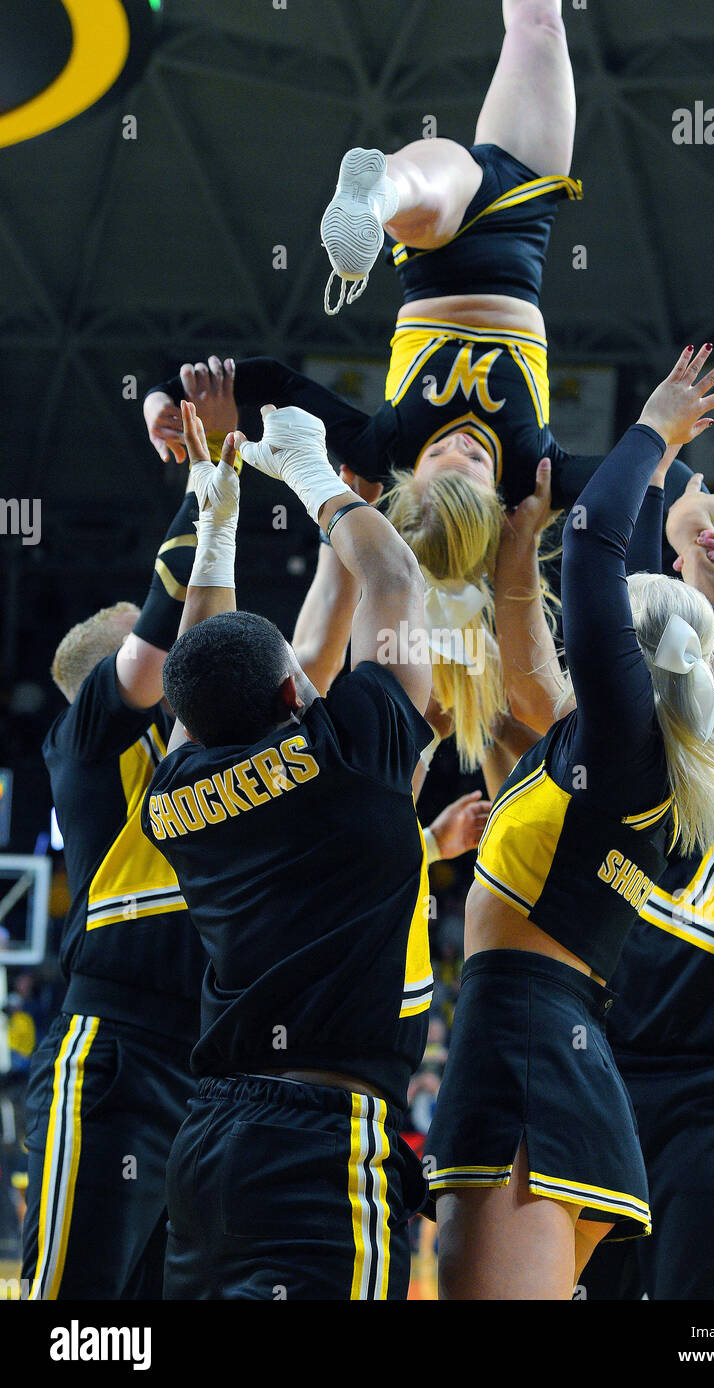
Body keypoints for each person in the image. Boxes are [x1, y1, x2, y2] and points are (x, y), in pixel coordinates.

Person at [142, 0, 697, 767]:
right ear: (501, 495)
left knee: (422, 182)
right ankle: (378, 196)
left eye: (451, 460)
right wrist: (683, 534)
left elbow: (269, 382)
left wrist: (163, 399)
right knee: (538, 24)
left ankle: (370, 198)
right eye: (479, 462)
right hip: (524, 219)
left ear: (409, 480)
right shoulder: (533, 475)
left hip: (437, 249)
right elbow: (641, 482)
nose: (469, 446)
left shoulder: (380, 447)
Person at [421, 346, 714, 1299]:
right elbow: (527, 675)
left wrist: (656, 434)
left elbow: (593, 539)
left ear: (623, 661)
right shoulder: (626, 768)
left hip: (521, 1054)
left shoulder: (623, 745)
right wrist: (516, 551)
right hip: (567, 1055)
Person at [141, 400, 438, 1299]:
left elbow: (207, 675)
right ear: (288, 693)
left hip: (212, 1136)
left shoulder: (173, 796)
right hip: (321, 1130)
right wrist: (305, 474)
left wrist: (218, 516)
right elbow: (396, 580)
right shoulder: (344, 753)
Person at [22, 474, 208, 1300]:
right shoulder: (85, 742)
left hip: (205, 1066)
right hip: (112, 1052)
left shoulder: (199, 760)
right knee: (77, 1308)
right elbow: (166, 632)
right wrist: (209, 491)